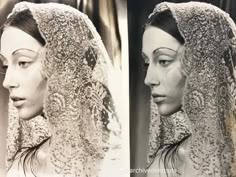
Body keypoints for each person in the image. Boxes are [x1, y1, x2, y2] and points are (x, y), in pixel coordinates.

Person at [0, 2, 122, 177]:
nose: (7, 81)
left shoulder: (116, 162)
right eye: (5, 65)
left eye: (23, 62)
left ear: (65, 65)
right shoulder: (22, 164)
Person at [142, 2, 236, 177]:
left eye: (163, 60)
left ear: (204, 64)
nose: (148, 80)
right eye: (146, 63)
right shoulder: (163, 166)